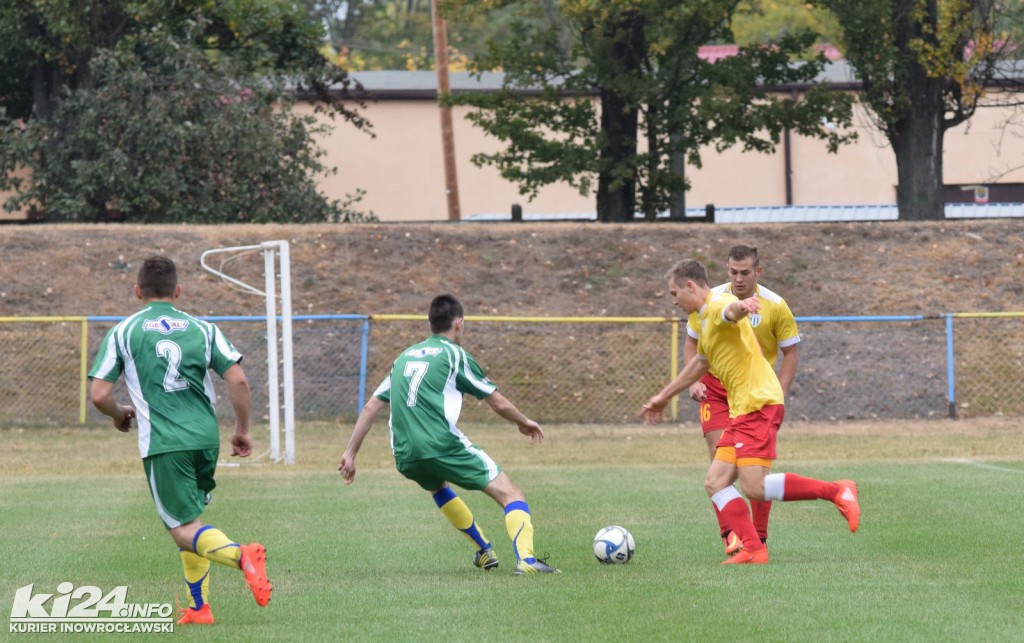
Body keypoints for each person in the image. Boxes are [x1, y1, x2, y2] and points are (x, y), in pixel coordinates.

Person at [89, 256, 271, 625]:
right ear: (178, 290)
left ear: (137, 291)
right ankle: (199, 607)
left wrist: (118, 412)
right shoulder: (203, 329)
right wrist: (242, 428)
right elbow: (237, 380)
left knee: (183, 528)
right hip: (205, 438)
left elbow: (99, 395)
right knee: (192, 523)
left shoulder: (124, 332)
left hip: (164, 441)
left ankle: (242, 556)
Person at [641, 259, 859, 565]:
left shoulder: (719, 305)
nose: (673, 300)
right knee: (715, 482)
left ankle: (837, 491)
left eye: (674, 293)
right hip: (742, 408)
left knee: (754, 487)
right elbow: (700, 363)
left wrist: (743, 308)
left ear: (691, 286)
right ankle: (754, 549)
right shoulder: (704, 319)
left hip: (758, 404)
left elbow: (730, 312)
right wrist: (663, 396)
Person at [338, 294, 559, 575]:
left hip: (405, 455)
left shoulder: (403, 358)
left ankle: (484, 551)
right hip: (441, 445)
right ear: (459, 323)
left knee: (438, 486)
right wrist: (524, 421)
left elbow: (372, 405)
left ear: (430, 323)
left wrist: (350, 453)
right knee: (511, 493)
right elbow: (498, 402)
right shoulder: (454, 354)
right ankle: (527, 561)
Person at [683, 245, 800, 554]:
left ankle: (758, 538)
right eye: (733, 272)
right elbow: (692, 344)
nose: (738, 278)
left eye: (745, 273)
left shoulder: (774, 305)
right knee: (718, 463)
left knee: (752, 471)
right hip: (718, 392)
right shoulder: (713, 300)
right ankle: (732, 536)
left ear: (757, 272)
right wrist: (693, 381)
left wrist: (779, 394)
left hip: (755, 395)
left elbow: (790, 354)